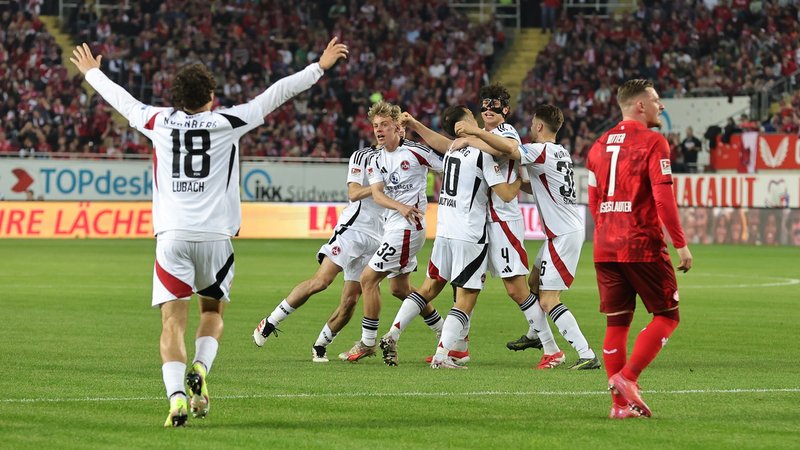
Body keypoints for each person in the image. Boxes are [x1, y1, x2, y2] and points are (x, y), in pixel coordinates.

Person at [70, 39, 348, 427]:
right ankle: (200, 368)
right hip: (216, 238)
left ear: (176, 97)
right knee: (213, 312)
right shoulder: (227, 122)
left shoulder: (158, 121)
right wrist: (318, 67)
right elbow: (276, 93)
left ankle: (177, 399)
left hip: (172, 236)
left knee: (171, 323)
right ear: (211, 96)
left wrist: (91, 72)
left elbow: (122, 99)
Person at [252, 137, 444, 363]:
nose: (381, 131)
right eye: (377, 126)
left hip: (383, 233)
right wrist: (376, 188)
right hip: (353, 230)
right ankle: (271, 321)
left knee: (356, 299)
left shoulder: (405, 155)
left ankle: (321, 344)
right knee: (321, 281)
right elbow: (353, 193)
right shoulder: (362, 156)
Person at [458, 104, 600, 370]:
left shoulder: (540, 150)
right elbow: (535, 186)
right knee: (533, 283)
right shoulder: (561, 152)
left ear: (538, 126)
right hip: (561, 231)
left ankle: (586, 354)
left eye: (532, 124)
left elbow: (508, 149)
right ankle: (535, 336)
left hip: (563, 234)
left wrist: (472, 135)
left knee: (548, 299)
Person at [378, 106, 522, 367]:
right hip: (469, 233)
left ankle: (393, 333)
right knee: (465, 298)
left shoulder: (453, 151)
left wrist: (415, 123)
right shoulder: (481, 152)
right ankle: (442, 356)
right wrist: (520, 180)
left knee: (428, 288)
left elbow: (442, 143)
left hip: (444, 230)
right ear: (465, 120)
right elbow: (506, 189)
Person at [586, 79, 693, 419]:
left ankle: (619, 407)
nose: (661, 106)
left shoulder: (597, 146)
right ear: (640, 106)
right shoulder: (653, 141)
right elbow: (663, 196)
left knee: (617, 322)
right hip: (640, 243)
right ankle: (628, 378)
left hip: (605, 244)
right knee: (667, 315)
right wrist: (681, 243)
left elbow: (592, 200)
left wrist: (606, 229)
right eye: (657, 100)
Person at [447, 84, 564, 370]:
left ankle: (552, 349)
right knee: (467, 287)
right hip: (483, 221)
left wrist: (472, 136)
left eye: (494, 105)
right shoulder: (488, 135)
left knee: (516, 290)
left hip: (504, 221)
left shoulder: (506, 131)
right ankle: (456, 349)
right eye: (484, 105)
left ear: (505, 110)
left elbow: (507, 150)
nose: (488, 109)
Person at [339, 101, 445, 362]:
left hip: (409, 228)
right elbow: (376, 193)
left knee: (368, 278)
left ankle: (367, 342)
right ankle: (446, 335)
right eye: (375, 126)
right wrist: (399, 206)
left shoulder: (417, 151)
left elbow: (449, 166)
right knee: (399, 288)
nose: (379, 130)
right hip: (394, 225)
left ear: (399, 128)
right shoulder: (376, 158)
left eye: (384, 125)